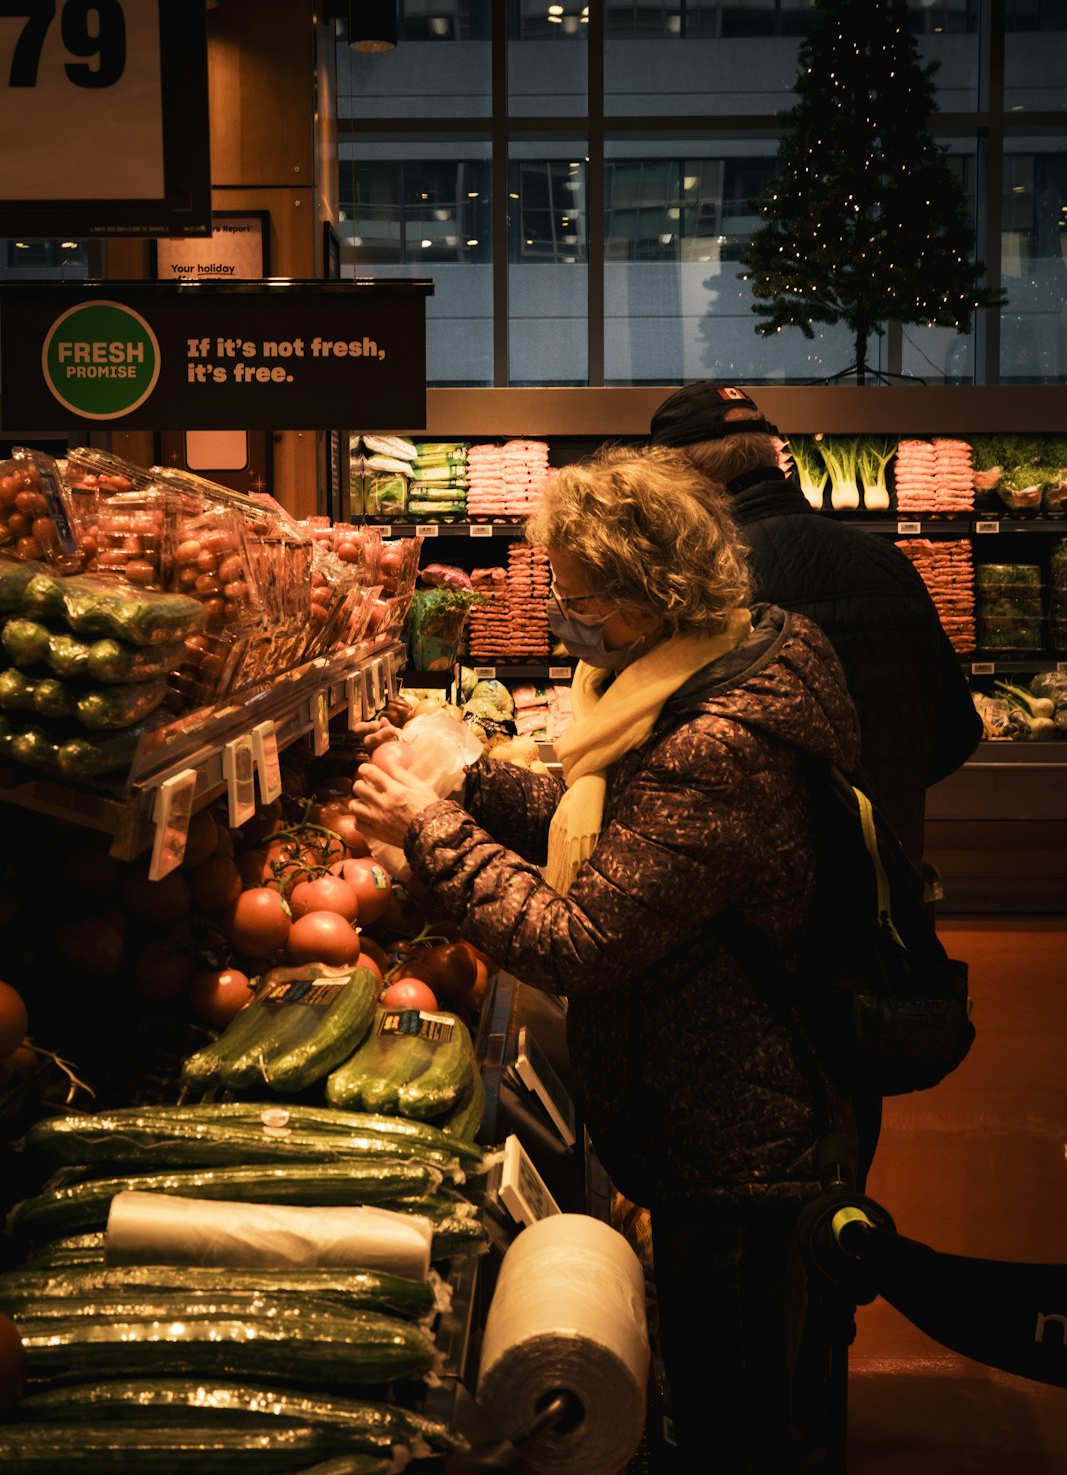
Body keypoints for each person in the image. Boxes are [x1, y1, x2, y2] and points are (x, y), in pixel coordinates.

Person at [350, 444, 861, 1472]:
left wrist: (431, 832)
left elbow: (580, 941)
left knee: (731, 1404)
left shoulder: (717, 741)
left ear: (649, 595)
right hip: (715, 1096)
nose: (560, 614)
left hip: (736, 1130)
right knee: (716, 1368)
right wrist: (474, 785)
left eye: (577, 597)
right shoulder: (698, 673)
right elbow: (630, 827)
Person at [649, 382, 983, 865]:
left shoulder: (704, 582)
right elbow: (957, 733)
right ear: (769, 456)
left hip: (766, 883)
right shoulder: (889, 563)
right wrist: (880, 792)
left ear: (685, 476)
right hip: (890, 874)